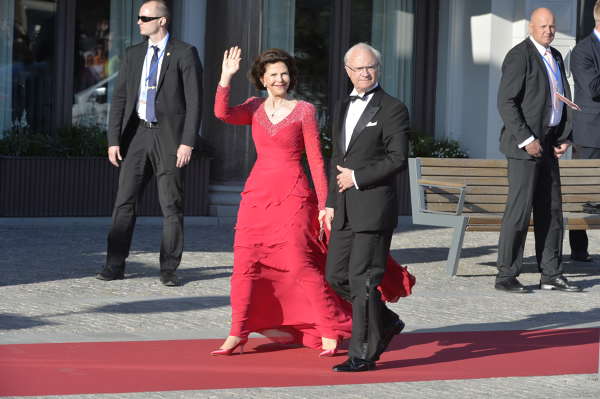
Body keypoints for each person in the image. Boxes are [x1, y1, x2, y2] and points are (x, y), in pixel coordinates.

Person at [96, 0, 203, 286]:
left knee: (171, 204)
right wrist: (113, 139)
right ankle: (114, 265)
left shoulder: (184, 53)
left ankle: (169, 268)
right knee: (124, 202)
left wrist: (187, 142)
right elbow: (119, 99)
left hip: (169, 138)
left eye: (145, 17)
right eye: (139, 17)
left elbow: (194, 102)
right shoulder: (133, 54)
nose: (139, 22)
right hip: (137, 136)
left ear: (162, 21)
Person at [324, 43, 410, 372]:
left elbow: (397, 158)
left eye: (370, 67)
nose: (364, 73)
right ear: (347, 71)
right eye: (358, 68)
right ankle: (385, 322)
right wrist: (331, 201)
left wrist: (358, 177)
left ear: (379, 69)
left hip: (373, 208)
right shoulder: (343, 105)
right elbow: (337, 158)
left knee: (362, 280)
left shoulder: (392, 108)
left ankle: (362, 354)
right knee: (335, 276)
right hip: (344, 207)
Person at [495, 8, 581, 293]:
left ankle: (551, 273)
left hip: (548, 144)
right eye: (543, 26)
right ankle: (506, 274)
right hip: (524, 148)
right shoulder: (519, 56)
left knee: (552, 211)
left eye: (552, 26)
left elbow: (562, 98)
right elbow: (506, 102)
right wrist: (525, 138)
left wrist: (565, 137)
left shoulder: (555, 56)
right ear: (531, 27)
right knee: (519, 212)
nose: (548, 31)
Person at [568, 0, 600, 263]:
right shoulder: (582, 50)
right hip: (590, 135)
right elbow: (594, 88)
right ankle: (579, 250)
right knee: (582, 195)